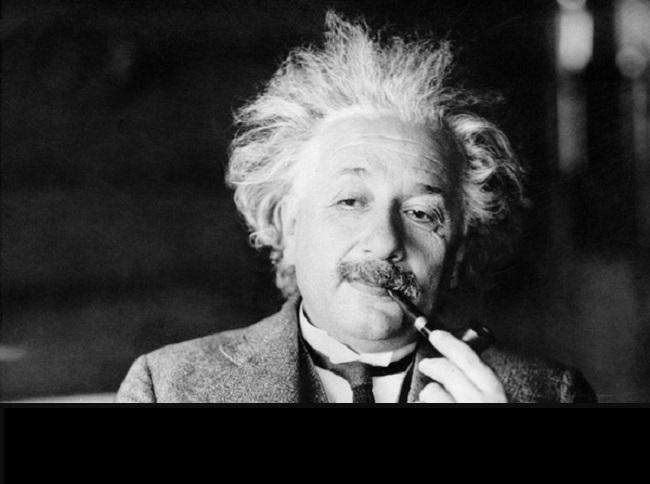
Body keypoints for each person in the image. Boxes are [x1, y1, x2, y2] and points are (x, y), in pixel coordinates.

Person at [116, 11, 596, 403]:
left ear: (458, 255)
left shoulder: (550, 394)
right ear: (287, 225)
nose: (385, 242)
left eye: (421, 214)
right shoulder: (170, 387)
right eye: (350, 201)